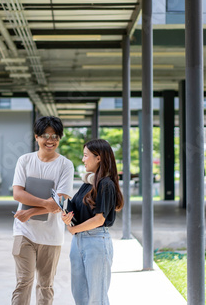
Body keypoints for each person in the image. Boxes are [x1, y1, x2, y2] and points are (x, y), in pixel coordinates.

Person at [11, 116, 75, 305]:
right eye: (46, 135)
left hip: (52, 236)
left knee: (45, 285)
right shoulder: (25, 160)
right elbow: (17, 194)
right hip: (23, 232)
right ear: (36, 137)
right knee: (23, 282)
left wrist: (30, 212)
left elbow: (59, 203)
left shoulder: (65, 165)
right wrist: (46, 203)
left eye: (55, 136)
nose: (51, 140)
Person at [61, 139, 124, 305]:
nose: (83, 160)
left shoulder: (106, 184)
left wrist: (74, 230)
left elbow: (99, 219)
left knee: (97, 298)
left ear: (98, 158)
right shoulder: (87, 183)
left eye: (85, 156)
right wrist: (67, 218)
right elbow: (75, 210)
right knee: (80, 296)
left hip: (96, 241)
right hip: (78, 242)